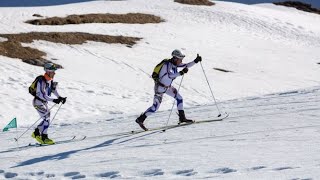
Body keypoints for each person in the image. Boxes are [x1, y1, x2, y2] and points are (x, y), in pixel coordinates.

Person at [136, 49, 202, 131]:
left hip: (167, 87)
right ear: (175, 58)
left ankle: (182, 118)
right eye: (180, 59)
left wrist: (195, 61)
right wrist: (181, 73)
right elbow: (170, 76)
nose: (181, 61)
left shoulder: (174, 64)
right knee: (155, 108)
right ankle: (140, 120)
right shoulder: (166, 65)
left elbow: (186, 65)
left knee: (179, 98)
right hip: (159, 88)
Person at [31, 63, 67, 144]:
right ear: (48, 71)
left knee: (47, 118)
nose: (54, 73)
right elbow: (42, 95)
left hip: (43, 102)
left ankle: (36, 133)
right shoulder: (41, 81)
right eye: (53, 71)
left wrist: (60, 97)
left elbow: (53, 90)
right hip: (38, 102)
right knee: (46, 118)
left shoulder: (50, 80)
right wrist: (53, 100)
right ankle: (44, 137)